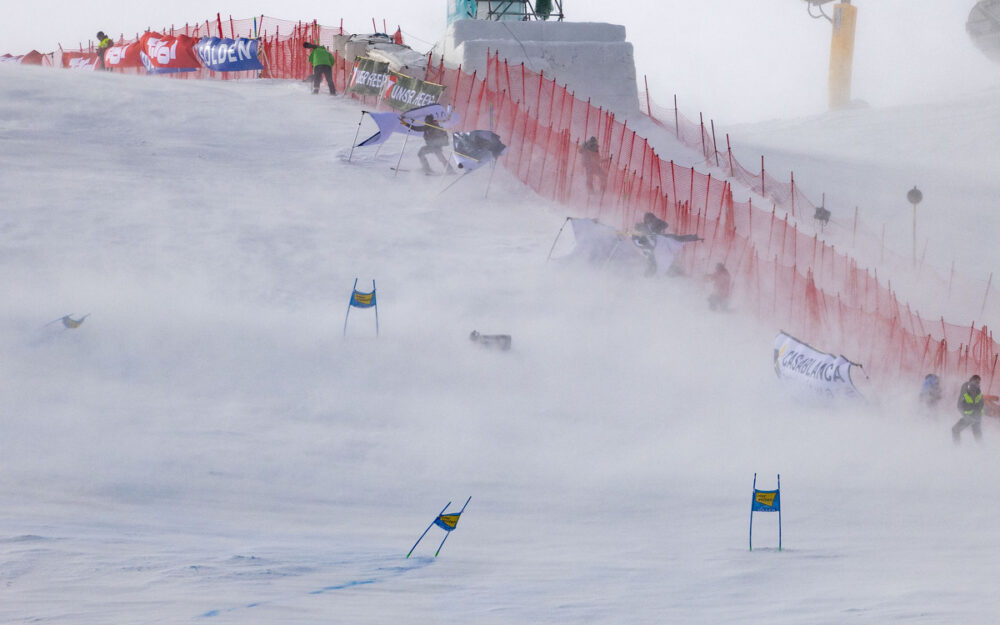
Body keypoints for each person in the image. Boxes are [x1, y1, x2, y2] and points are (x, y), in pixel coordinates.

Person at [952, 374, 985, 443]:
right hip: (976, 416)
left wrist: (965, 413)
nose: (978, 383)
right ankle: (983, 449)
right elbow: (981, 403)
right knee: (977, 434)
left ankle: (956, 449)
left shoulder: (968, 387)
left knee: (955, 430)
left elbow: (960, 404)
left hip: (970, 416)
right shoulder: (978, 389)